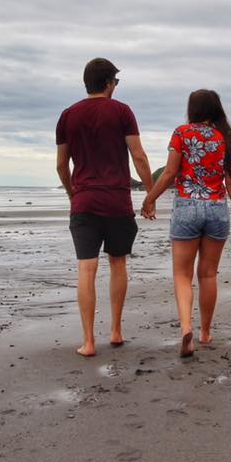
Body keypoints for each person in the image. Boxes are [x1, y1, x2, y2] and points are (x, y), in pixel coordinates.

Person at [56, 58, 154, 357]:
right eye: (116, 82)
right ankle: (115, 331)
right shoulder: (122, 111)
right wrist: (150, 193)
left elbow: (62, 165)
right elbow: (138, 156)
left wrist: (74, 193)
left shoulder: (68, 116)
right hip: (116, 201)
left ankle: (87, 342)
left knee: (86, 268)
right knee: (118, 263)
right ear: (109, 82)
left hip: (84, 201)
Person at [141, 89, 231, 358]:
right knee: (208, 274)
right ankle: (205, 332)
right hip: (216, 210)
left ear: (193, 109)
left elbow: (169, 173)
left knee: (182, 275)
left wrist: (149, 199)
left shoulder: (181, 133)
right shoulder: (227, 139)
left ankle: (186, 328)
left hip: (187, 208)